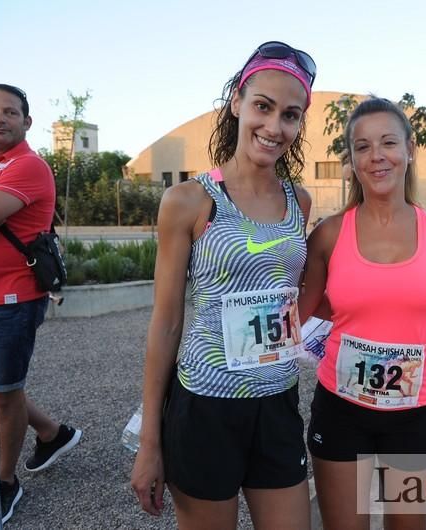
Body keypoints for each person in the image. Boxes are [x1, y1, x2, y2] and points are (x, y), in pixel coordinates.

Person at [130, 41, 316, 530]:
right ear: (236, 102)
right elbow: (167, 321)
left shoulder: (300, 200)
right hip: (205, 406)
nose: (275, 127)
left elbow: (294, 299)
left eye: (290, 115)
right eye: (263, 106)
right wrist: (151, 441)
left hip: (278, 402)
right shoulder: (188, 201)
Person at [299, 97, 426, 530]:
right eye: (363, 147)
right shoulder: (329, 234)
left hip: (415, 414)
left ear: (410, 149)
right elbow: (298, 311)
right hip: (341, 410)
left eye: (388, 142)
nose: (377, 156)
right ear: (351, 160)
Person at [0, 83, 82, 524]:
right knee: (2, 387)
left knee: (2, 394)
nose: (0, 118)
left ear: (27, 121)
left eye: (10, 112)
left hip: (12, 300)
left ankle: (6, 482)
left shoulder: (28, 166)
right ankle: (51, 433)